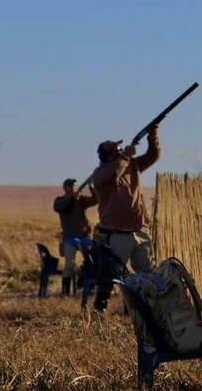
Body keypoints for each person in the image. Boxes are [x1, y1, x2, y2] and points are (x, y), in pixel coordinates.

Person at [90, 125, 160, 309]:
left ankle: (139, 307)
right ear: (107, 156)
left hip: (139, 229)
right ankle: (100, 306)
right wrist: (126, 156)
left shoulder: (131, 164)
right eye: (115, 151)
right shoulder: (100, 174)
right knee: (110, 275)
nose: (120, 151)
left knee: (147, 273)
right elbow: (114, 173)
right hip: (117, 233)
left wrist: (153, 136)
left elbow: (153, 156)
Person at [53, 178, 98, 295]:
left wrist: (91, 188)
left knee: (91, 262)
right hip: (69, 238)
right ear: (65, 188)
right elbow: (58, 207)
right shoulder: (60, 200)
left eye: (74, 186)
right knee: (69, 264)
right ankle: (66, 292)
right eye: (70, 186)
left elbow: (96, 200)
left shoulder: (81, 200)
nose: (73, 188)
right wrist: (71, 198)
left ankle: (90, 287)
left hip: (85, 237)